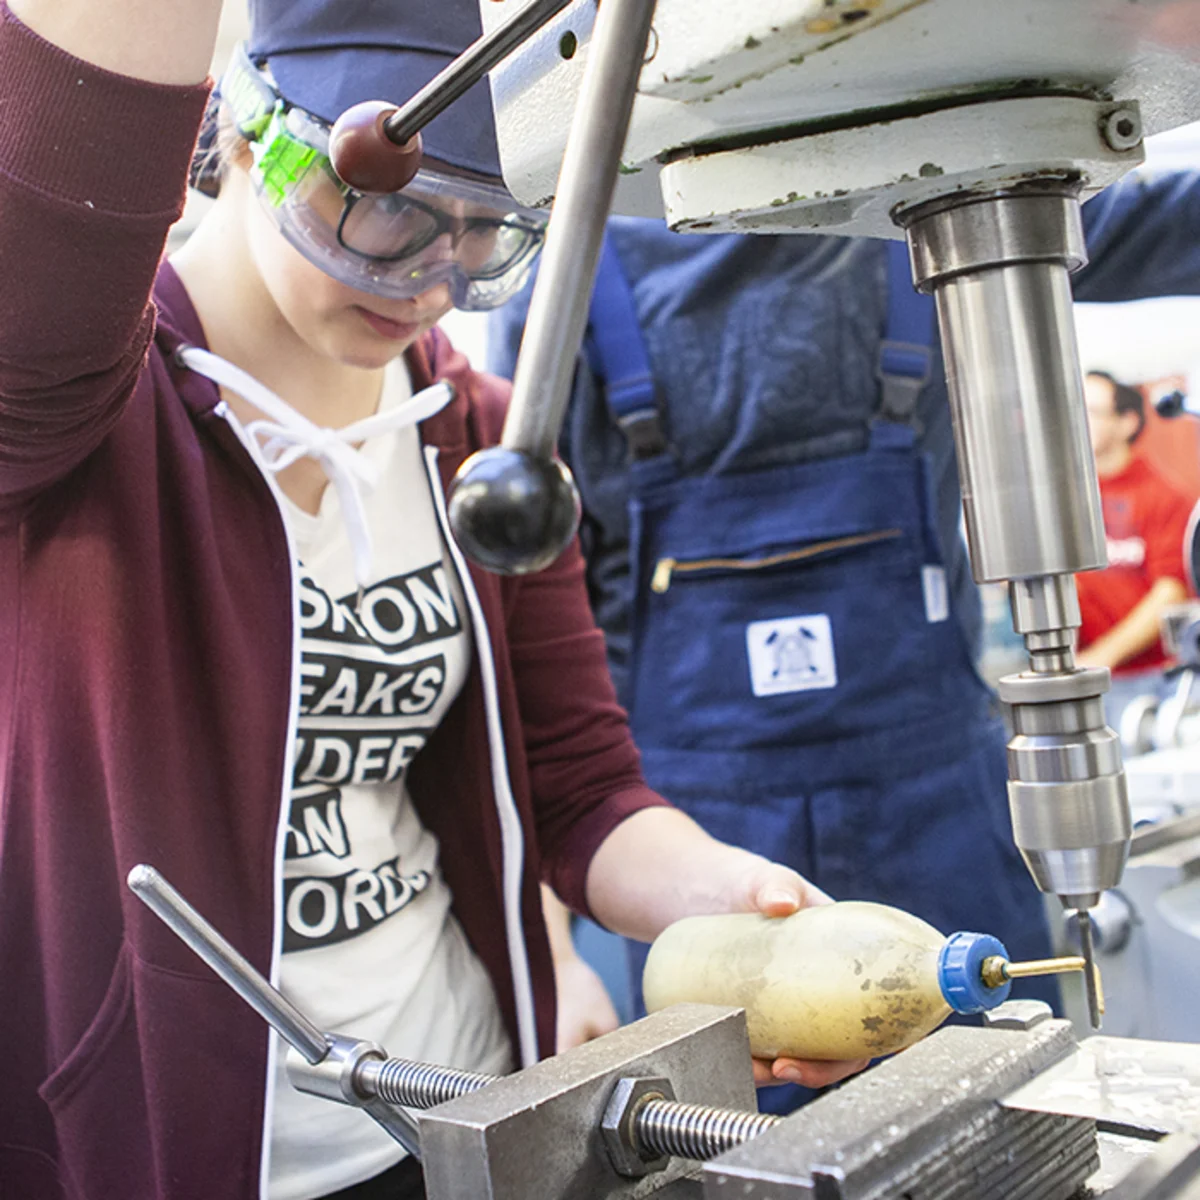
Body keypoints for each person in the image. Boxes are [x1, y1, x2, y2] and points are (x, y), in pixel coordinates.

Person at [0, 2, 868, 1198]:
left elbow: (580, 788)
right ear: (247, 136)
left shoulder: (481, 438)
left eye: (481, 235)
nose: (428, 281)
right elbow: (62, 161)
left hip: (455, 1113)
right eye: (387, 205)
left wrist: (734, 901)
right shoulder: (72, 405)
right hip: (183, 1139)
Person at [489, 179, 1200, 1098]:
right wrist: (554, 954)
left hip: (937, 805)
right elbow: (536, 672)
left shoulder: (938, 198)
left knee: (1017, 1104)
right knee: (754, 1149)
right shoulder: (569, 277)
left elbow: (1158, 218)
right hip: (693, 845)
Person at [1077, 369, 1197, 723]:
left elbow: (1170, 593)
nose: (1077, 422)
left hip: (1151, 682)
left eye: (1091, 411)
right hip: (1086, 681)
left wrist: (1101, 656)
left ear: (1127, 421)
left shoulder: (1164, 497)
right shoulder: (1068, 500)